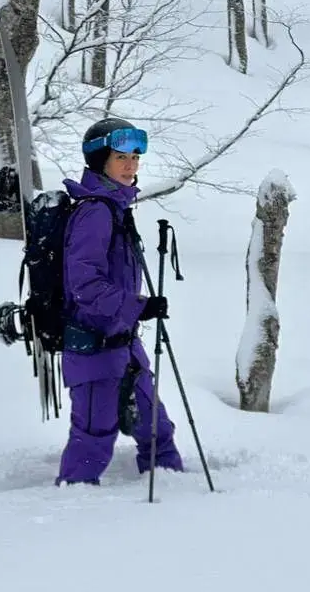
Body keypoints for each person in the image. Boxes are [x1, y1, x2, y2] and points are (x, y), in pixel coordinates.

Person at [56, 117, 183, 486]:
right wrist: (137, 306)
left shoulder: (116, 208)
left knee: (155, 427)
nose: (131, 166)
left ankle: (177, 496)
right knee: (92, 441)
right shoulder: (95, 212)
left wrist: (136, 309)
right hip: (94, 351)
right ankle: (68, 513)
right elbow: (85, 285)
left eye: (135, 158)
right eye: (120, 158)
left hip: (125, 345)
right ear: (100, 162)